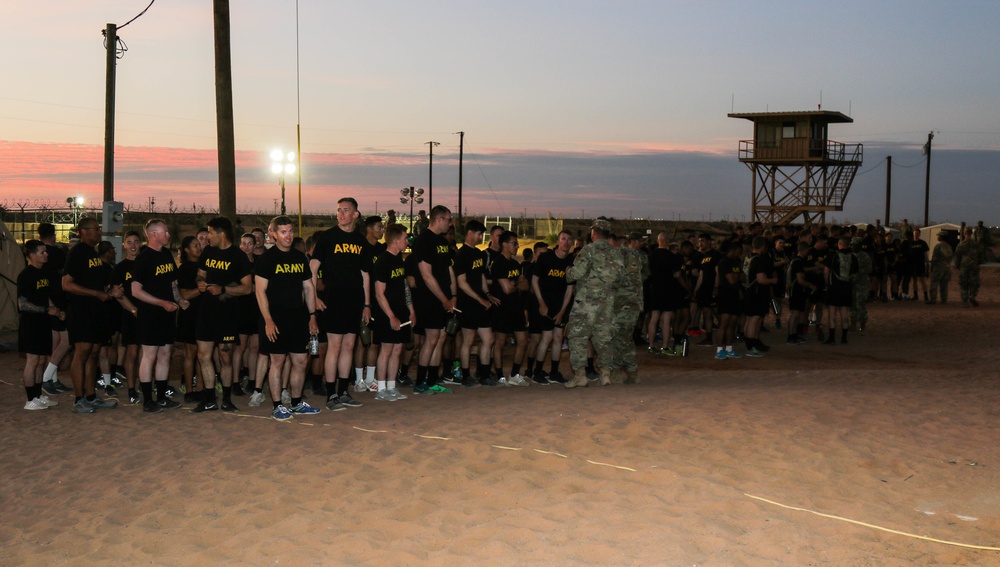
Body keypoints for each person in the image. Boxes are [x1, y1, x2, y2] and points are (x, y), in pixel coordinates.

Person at [254, 216, 322, 420]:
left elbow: (309, 288)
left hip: (297, 317)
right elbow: (260, 292)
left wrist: (312, 316)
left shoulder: (300, 257)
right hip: (274, 318)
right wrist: (268, 320)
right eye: (283, 232)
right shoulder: (267, 259)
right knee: (277, 361)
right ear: (273, 234)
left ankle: (296, 402)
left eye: (291, 231)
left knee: (301, 361)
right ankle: (277, 405)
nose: (289, 236)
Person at [310, 197, 371, 410]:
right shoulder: (328, 237)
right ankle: (331, 395)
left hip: (354, 301)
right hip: (333, 300)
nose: (341, 213)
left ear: (356, 215)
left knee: (349, 346)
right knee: (334, 347)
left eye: (346, 210)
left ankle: (344, 392)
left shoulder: (361, 241)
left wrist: (367, 304)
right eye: (339, 210)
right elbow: (312, 268)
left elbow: (365, 275)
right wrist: (314, 297)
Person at [62, 217, 123, 413]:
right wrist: (96, 294)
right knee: (82, 352)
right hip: (81, 310)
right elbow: (66, 284)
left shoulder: (94, 254)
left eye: (99, 228)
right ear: (83, 231)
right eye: (96, 229)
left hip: (98, 311)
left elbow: (97, 283)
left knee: (94, 352)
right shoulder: (78, 253)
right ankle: (79, 399)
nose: (99, 232)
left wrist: (109, 292)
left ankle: (91, 395)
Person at [193, 216, 253, 413]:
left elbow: (247, 288)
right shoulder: (208, 251)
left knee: (225, 357)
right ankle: (209, 399)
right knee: (203, 355)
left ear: (221, 234)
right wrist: (200, 282)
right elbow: (200, 274)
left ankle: (226, 399)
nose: (207, 236)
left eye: (210, 233)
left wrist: (224, 289)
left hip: (227, 313)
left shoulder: (238, 256)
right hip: (206, 312)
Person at [131, 219, 187, 413]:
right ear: (153, 234)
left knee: (165, 354)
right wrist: (161, 303)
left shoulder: (166, 254)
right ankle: (148, 400)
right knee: (149, 356)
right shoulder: (144, 258)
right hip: (150, 314)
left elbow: (172, 283)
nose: (168, 235)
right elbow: (136, 291)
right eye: (165, 232)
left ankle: (162, 397)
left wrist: (179, 300)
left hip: (167, 313)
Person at [564, 218, 625, 387]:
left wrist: (568, 272)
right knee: (604, 338)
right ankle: (605, 374)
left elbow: (576, 274)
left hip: (586, 303)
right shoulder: (616, 253)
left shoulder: (589, 250)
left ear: (594, 233)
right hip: (607, 303)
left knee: (577, 337)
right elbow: (620, 279)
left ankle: (580, 375)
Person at [409, 205, 457, 394]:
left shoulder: (442, 242)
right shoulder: (423, 240)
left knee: (441, 336)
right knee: (431, 338)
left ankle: (431, 380)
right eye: (448, 219)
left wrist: (452, 296)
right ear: (438, 219)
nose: (450, 223)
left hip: (443, 297)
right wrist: (444, 299)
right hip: (428, 298)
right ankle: (420, 383)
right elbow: (427, 276)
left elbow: (447, 270)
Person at [17, 240, 62, 410]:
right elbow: (22, 304)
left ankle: (38, 395)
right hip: (30, 324)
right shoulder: (25, 275)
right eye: (42, 252)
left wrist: (55, 310)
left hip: (43, 322)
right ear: (32, 255)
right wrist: (45, 310)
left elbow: (45, 296)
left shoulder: (43, 273)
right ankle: (30, 400)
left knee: (42, 360)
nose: (46, 254)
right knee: (33, 361)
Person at [371, 223, 414, 401]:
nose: (407, 241)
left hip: (401, 311)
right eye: (405, 238)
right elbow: (379, 294)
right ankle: (381, 389)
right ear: (396, 240)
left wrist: (411, 310)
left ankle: (391, 386)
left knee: (398, 349)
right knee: (387, 349)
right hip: (387, 314)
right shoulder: (383, 261)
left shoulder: (399, 259)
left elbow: (404, 287)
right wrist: (391, 316)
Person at [453, 219, 498, 387]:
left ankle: (484, 374)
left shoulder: (479, 254)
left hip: (481, 303)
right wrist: (480, 299)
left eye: (482, 234)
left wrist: (487, 295)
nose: (481, 237)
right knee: (468, 341)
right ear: (470, 233)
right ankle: (466, 376)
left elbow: (480, 277)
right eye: (479, 234)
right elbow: (462, 283)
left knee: (488, 339)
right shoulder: (462, 254)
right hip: (468, 304)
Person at [530, 229, 575, 384]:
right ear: (557, 241)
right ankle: (537, 373)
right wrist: (541, 303)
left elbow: (570, 288)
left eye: (569, 239)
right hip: (545, 305)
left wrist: (563, 311)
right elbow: (534, 281)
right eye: (563, 239)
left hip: (560, 306)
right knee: (547, 337)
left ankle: (554, 372)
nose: (566, 242)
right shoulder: (545, 258)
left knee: (558, 338)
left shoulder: (571, 261)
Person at [490, 230, 528, 386]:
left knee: (523, 341)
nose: (517, 246)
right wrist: (515, 284)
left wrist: (515, 284)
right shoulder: (498, 263)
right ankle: (500, 376)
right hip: (502, 308)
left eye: (517, 243)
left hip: (516, 307)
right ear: (504, 244)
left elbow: (525, 285)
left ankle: (514, 374)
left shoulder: (515, 264)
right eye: (514, 243)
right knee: (500, 342)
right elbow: (506, 289)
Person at [609, 231, 648, 384]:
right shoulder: (639, 256)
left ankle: (616, 373)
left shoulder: (618, 256)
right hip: (633, 303)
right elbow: (644, 275)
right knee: (626, 339)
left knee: (619, 338)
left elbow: (612, 280)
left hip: (623, 304)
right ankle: (632, 372)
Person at [37, 223, 71, 395]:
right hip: (58, 301)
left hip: (46, 300)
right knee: (66, 341)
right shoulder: (56, 253)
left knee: (56, 342)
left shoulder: (37, 254)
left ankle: (53, 380)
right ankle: (46, 377)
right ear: (53, 235)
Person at [354, 215, 386, 393]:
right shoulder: (361, 248)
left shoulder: (382, 250)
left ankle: (370, 379)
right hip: (363, 300)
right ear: (369, 229)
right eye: (379, 227)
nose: (381, 231)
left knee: (374, 342)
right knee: (362, 340)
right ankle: (359, 380)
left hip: (378, 300)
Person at [111, 231, 143, 404]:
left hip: (147, 315)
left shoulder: (146, 264)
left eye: (136, 242)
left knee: (147, 354)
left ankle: (145, 385)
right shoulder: (120, 268)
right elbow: (118, 295)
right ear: (124, 245)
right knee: (132, 353)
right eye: (129, 242)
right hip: (130, 315)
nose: (132, 246)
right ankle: (132, 389)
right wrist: (134, 310)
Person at [176, 235, 205, 403]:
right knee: (190, 353)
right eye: (195, 245)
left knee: (203, 354)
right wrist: (201, 289)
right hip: (190, 315)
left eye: (199, 244)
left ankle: (201, 389)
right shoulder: (185, 268)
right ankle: (189, 390)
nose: (199, 247)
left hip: (203, 314)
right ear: (187, 250)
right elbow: (184, 293)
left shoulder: (204, 266)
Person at [742, 236, 776, 357]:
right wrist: (772, 280)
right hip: (756, 293)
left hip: (748, 291)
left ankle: (752, 343)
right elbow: (761, 279)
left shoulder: (747, 257)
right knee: (754, 320)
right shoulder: (759, 260)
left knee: (749, 319)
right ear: (763, 246)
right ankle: (751, 347)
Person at [713, 241, 744, 360]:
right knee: (724, 323)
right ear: (733, 250)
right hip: (726, 294)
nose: (740, 254)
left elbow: (743, 277)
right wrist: (737, 276)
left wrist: (736, 276)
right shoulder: (724, 262)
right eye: (739, 252)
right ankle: (719, 350)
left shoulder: (736, 262)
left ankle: (729, 349)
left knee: (733, 323)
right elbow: (731, 280)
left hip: (735, 294)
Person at [824, 237, 858, 345]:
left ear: (839, 244)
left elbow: (826, 271)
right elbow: (855, 275)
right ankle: (844, 338)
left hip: (834, 287)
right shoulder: (853, 257)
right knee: (844, 314)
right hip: (847, 287)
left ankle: (832, 338)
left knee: (832, 313)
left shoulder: (833, 255)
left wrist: (826, 284)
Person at [954, 228, 985, 307]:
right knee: (974, 282)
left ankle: (965, 301)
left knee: (964, 283)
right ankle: (972, 296)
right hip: (974, 265)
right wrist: (978, 262)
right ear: (971, 233)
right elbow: (981, 256)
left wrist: (957, 265)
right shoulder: (976, 244)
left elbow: (957, 256)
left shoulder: (961, 244)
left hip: (964, 265)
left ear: (964, 233)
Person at [850, 236, 873, 333]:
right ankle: (853, 324)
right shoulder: (850, 255)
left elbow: (869, 269)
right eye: (852, 245)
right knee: (852, 305)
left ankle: (862, 324)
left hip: (862, 284)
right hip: (851, 284)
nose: (853, 246)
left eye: (855, 245)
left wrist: (858, 272)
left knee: (861, 304)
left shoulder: (865, 256)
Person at [928, 232, 953, 304]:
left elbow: (935, 258)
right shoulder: (949, 246)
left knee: (934, 283)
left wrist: (932, 267)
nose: (937, 237)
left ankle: (933, 299)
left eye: (938, 236)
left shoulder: (938, 246)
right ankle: (944, 299)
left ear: (941, 237)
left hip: (939, 267)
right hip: (947, 267)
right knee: (944, 284)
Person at [909, 229, 930, 302]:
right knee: (914, 280)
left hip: (920, 264)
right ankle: (915, 295)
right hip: (913, 264)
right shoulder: (910, 243)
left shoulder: (923, 243)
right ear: (913, 234)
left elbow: (925, 254)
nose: (916, 234)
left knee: (922, 280)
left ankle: (926, 296)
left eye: (917, 233)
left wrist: (927, 264)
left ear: (919, 234)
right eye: (915, 233)